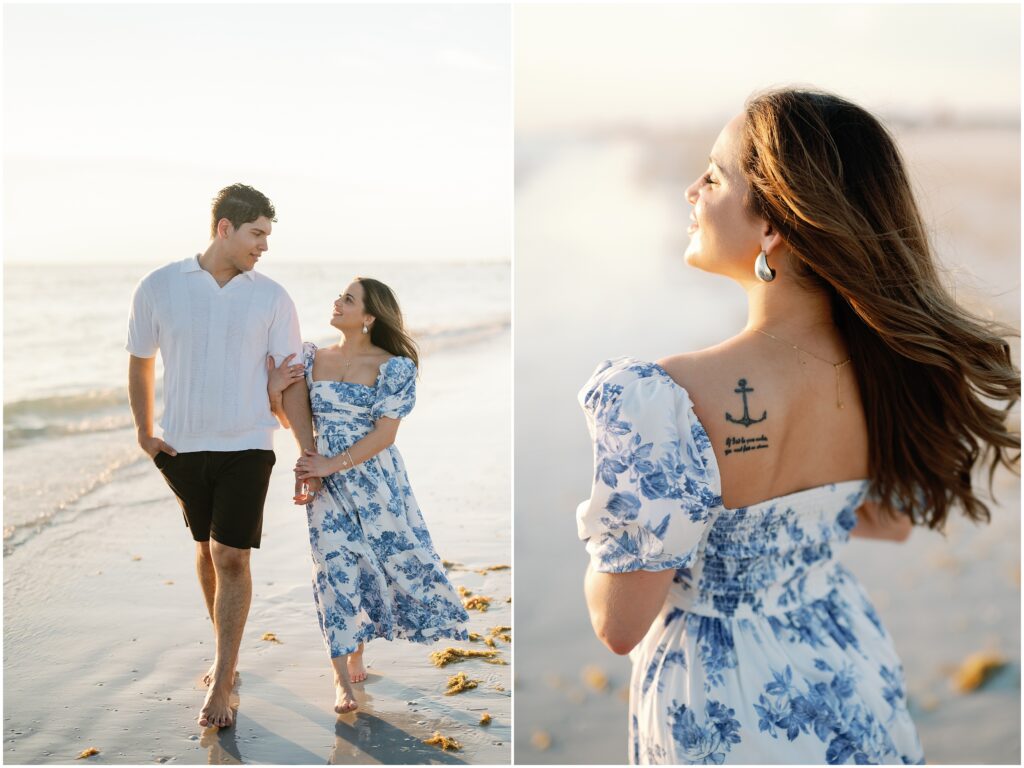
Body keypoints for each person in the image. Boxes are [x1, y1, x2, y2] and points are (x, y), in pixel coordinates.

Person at [577, 89, 1020, 764]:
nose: (692, 189)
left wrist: (612, 524)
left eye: (714, 176)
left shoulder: (662, 398)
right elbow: (888, 520)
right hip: (846, 664)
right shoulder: (893, 372)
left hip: (722, 705)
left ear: (773, 227)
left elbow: (618, 622)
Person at [127, 183, 320, 730]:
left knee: (232, 556)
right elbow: (140, 360)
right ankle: (224, 652)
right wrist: (144, 431)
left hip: (248, 445)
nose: (264, 245)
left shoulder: (273, 297)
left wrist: (308, 451)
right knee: (206, 548)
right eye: (257, 233)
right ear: (224, 228)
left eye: (267, 235)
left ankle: (224, 675)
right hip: (183, 446)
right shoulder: (159, 286)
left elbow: (290, 383)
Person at [268, 276, 469, 715]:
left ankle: (359, 644)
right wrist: (274, 393)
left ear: (369, 316)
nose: (336, 302)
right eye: (340, 296)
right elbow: (290, 419)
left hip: (376, 482)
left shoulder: (394, 366)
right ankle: (342, 683)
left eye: (348, 299)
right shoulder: (311, 357)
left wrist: (329, 464)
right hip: (326, 488)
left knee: (380, 564)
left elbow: (385, 435)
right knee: (333, 568)